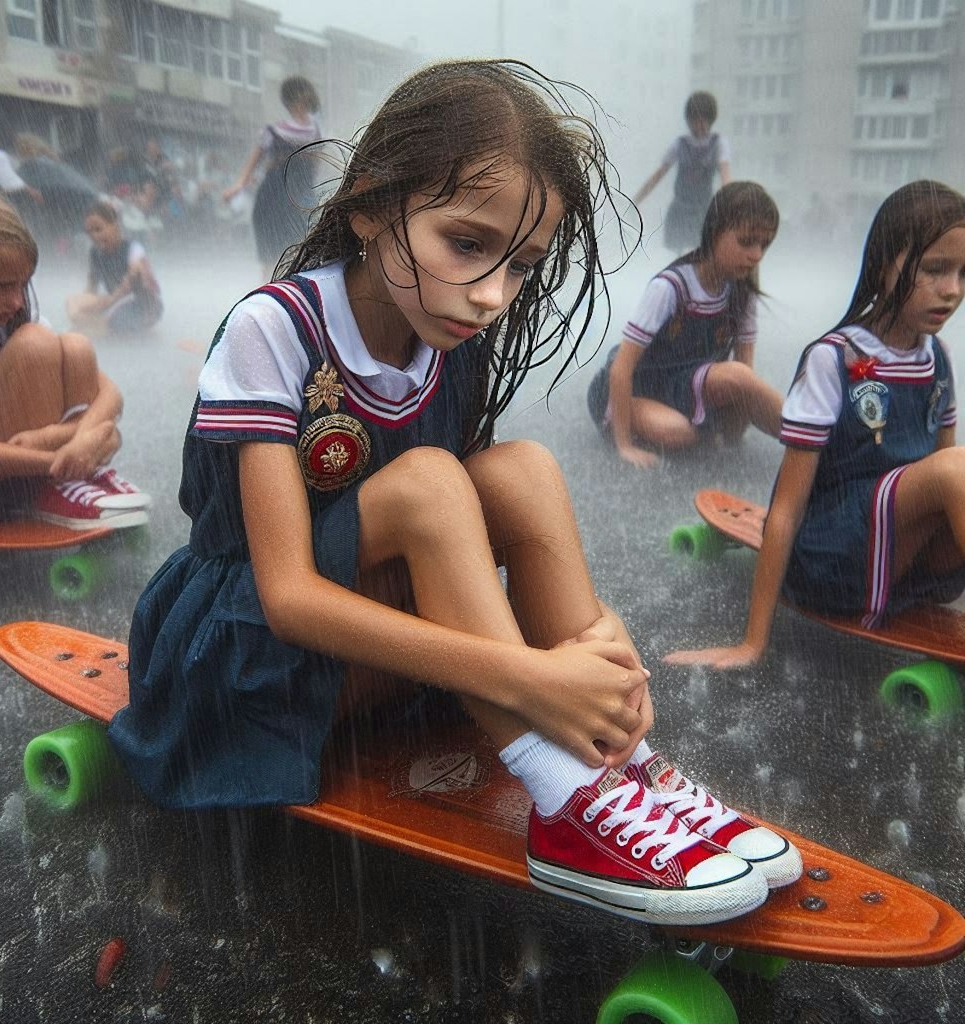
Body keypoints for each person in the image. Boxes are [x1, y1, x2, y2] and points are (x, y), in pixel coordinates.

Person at [108, 60, 802, 926]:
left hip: (372, 665)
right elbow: (285, 596)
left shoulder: (450, 338)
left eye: (521, 267)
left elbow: (475, 521)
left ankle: (624, 765)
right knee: (435, 483)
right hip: (236, 665)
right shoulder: (274, 329)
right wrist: (529, 675)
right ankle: (562, 796)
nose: (490, 294)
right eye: (467, 245)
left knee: (521, 470)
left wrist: (594, 648)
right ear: (368, 205)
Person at [666, 181, 965, 669]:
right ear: (887, 263)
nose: (952, 290)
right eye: (934, 270)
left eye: (962, 272)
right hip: (832, 562)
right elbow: (784, 509)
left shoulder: (938, 359)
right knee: (956, 468)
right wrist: (752, 644)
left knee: (955, 468)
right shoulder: (835, 359)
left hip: (904, 560)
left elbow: (940, 481)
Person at [0, 187, 150, 534]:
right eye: (2, 286)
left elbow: (109, 394)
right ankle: (49, 486)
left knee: (76, 345)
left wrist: (82, 442)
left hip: (25, 453)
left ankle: (71, 481)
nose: (17, 301)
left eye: (23, 284)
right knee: (36, 344)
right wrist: (64, 458)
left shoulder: (15, 311)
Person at [588, 182, 784, 468]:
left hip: (686, 385)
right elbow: (622, 366)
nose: (756, 255)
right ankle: (631, 417)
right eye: (746, 241)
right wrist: (624, 446)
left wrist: (735, 426)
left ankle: (810, 441)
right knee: (677, 434)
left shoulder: (742, 293)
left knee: (738, 386)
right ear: (715, 232)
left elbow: (745, 376)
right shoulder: (670, 288)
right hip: (639, 387)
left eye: (764, 245)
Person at [222, 75, 322, 279]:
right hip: (273, 196)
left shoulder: (314, 131)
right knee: (270, 259)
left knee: (297, 253)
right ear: (295, 99)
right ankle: (266, 300)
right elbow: (253, 162)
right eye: (302, 94)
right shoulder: (273, 131)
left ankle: (289, 299)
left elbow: (316, 168)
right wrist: (238, 185)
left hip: (298, 198)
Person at [633, 92, 732, 254]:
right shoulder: (679, 145)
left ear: (711, 121)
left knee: (702, 254)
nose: (699, 126)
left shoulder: (718, 144)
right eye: (694, 121)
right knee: (678, 258)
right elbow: (657, 176)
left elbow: (726, 176)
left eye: (703, 121)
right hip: (680, 210)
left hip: (704, 211)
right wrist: (635, 201)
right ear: (688, 121)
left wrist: (732, 205)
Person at [65, 202, 163, 337]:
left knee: (114, 322)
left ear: (116, 227)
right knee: (72, 302)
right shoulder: (95, 253)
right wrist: (87, 309)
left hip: (143, 304)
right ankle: (97, 326)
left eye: (98, 229)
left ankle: (103, 327)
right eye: (89, 232)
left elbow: (133, 278)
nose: (94, 236)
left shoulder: (133, 249)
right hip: (114, 304)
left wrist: (107, 303)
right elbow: (91, 288)